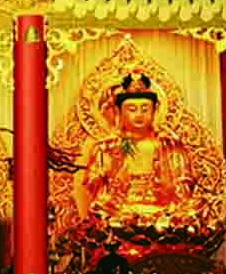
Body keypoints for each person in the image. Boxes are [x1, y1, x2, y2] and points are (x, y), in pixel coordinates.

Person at [83, 73, 197, 223]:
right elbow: (94, 186)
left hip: (163, 213)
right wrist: (112, 168)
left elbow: (184, 188)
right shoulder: (106, 148)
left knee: (191, 211)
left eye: (145, 109)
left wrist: (168, 191)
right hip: (119, 213)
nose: (139, 115)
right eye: (132, 109)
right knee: (100, 211)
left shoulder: (171, 146)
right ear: (118, 112)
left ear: (155, 111)